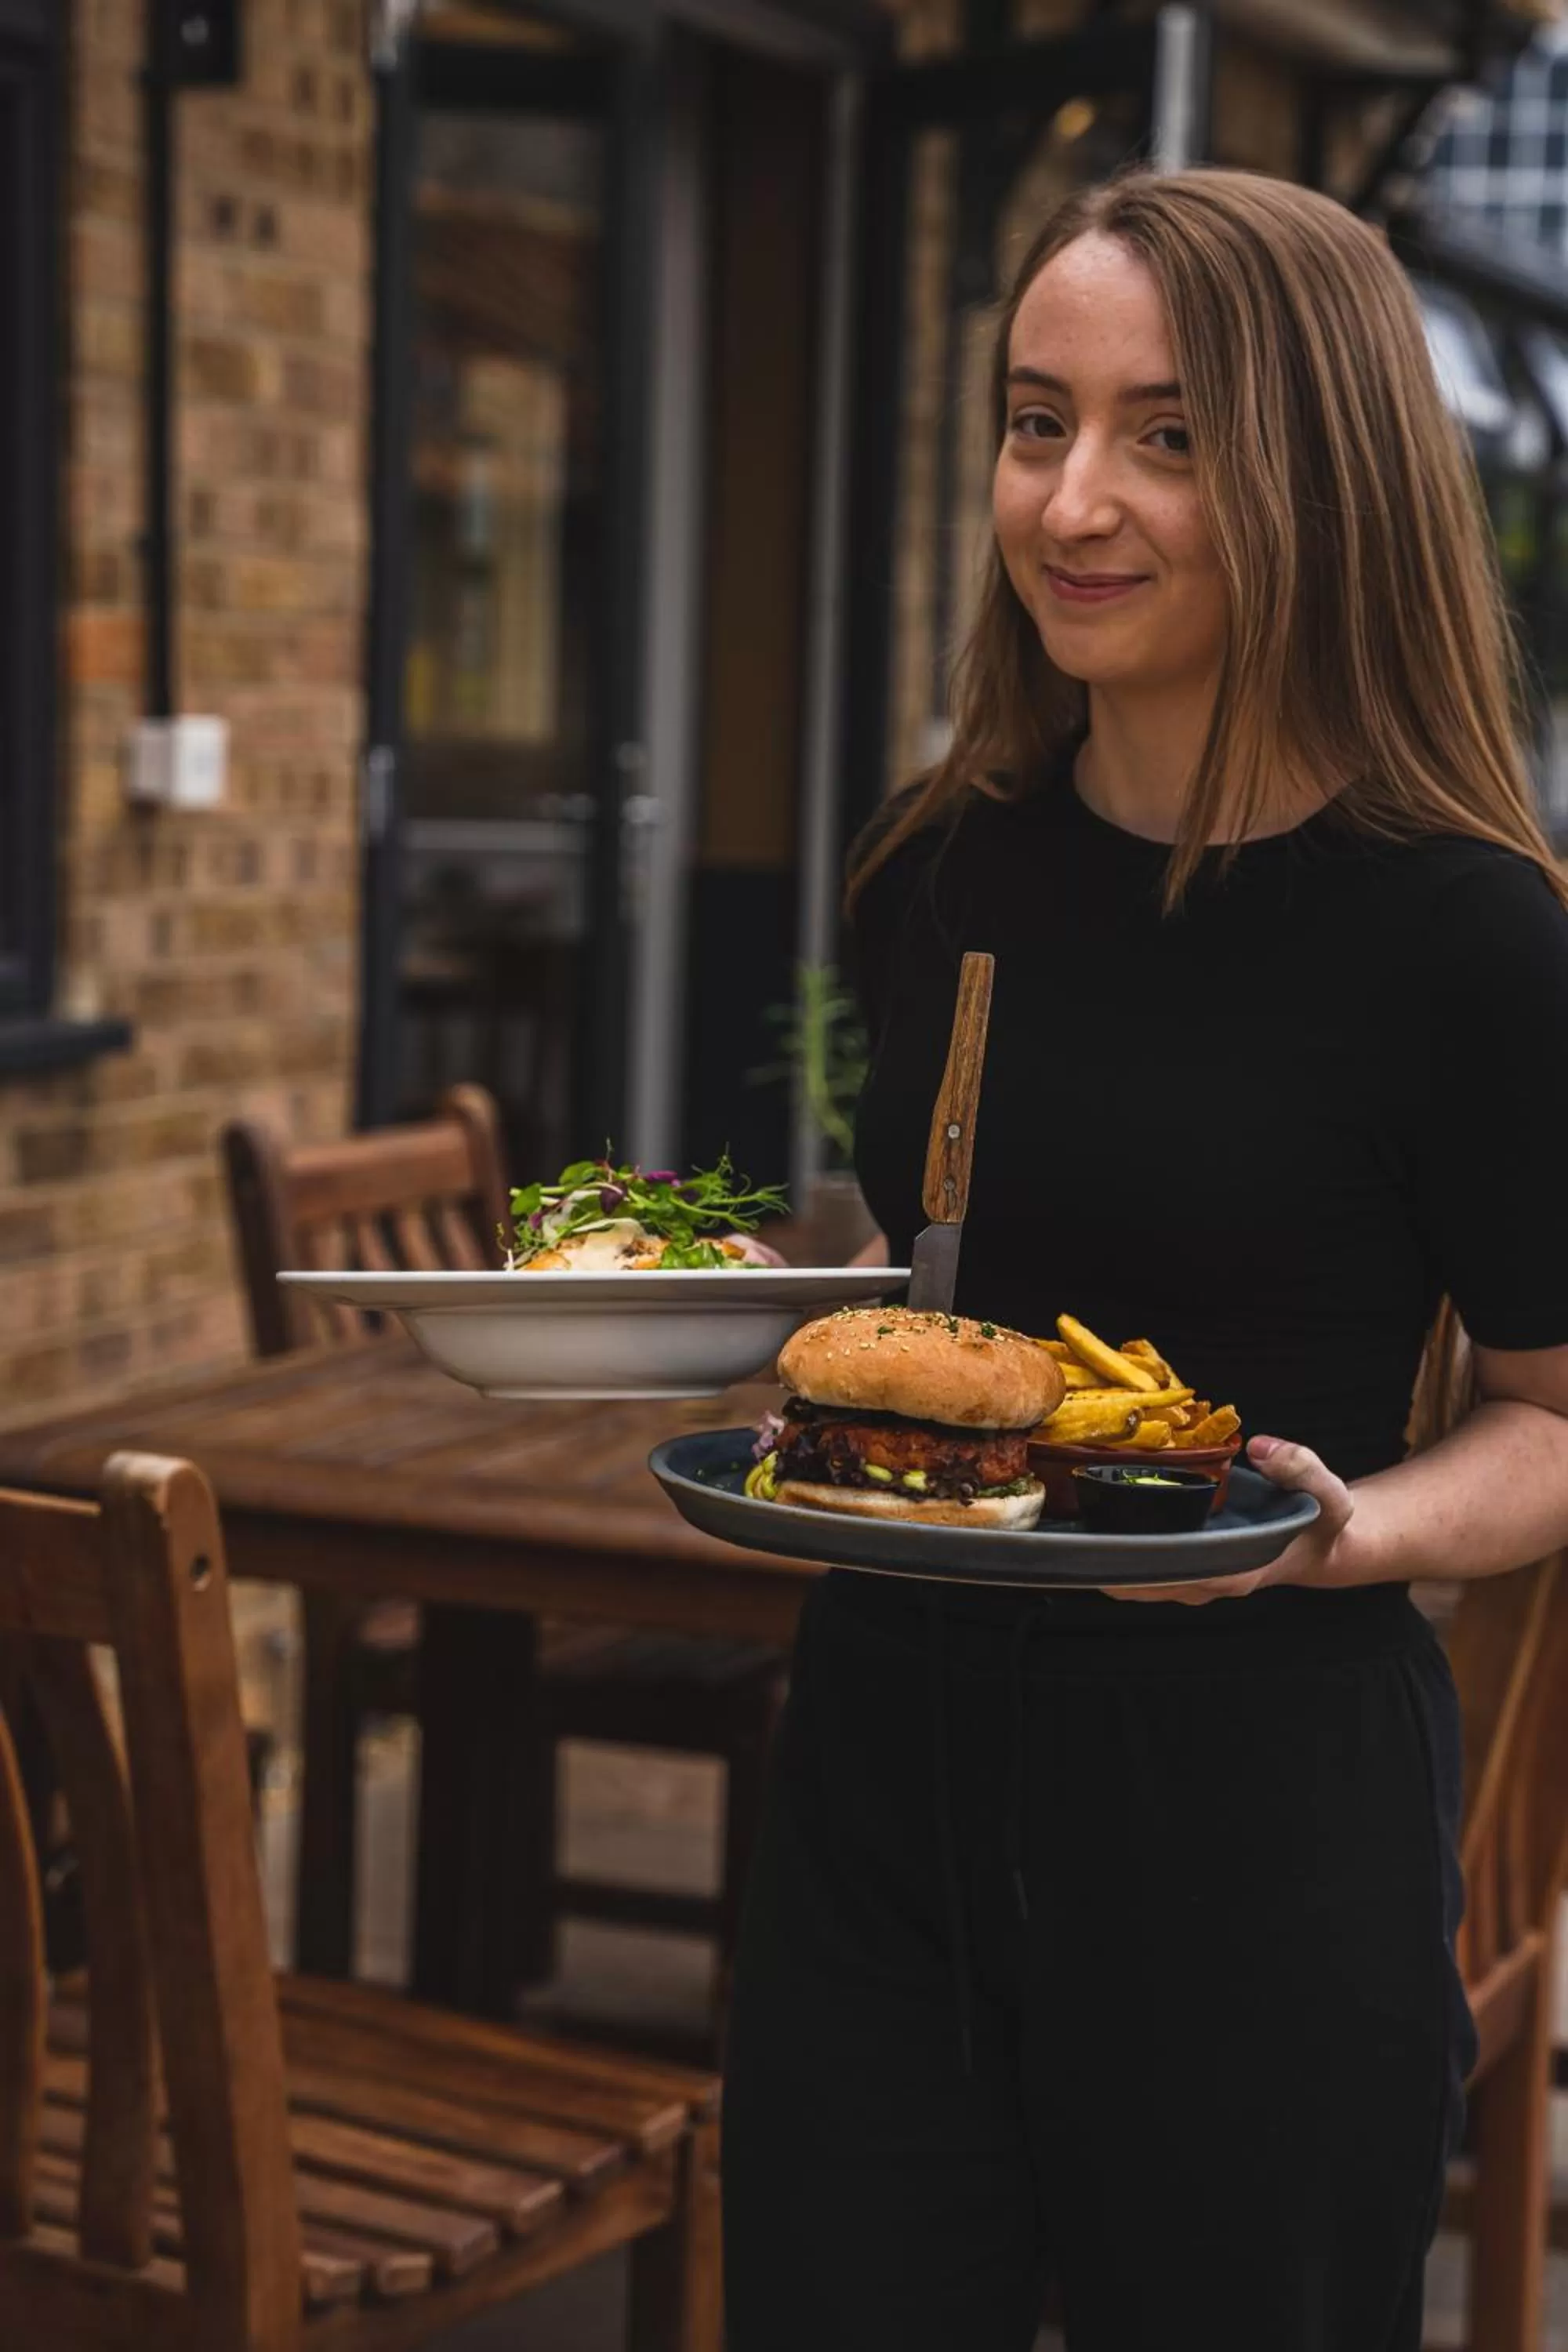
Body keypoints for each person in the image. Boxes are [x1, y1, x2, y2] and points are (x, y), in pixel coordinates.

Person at [720, 169, 1568, 2352]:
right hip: (883, 1789)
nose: (1075, 498)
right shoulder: (931, 871)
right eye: (1036, 419)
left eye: (1170, 436)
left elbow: (1559, 1423)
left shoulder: (1464, 933)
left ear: (1325, 475)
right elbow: (934, 1291)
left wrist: (1346, 1525)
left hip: (1254, 1825)